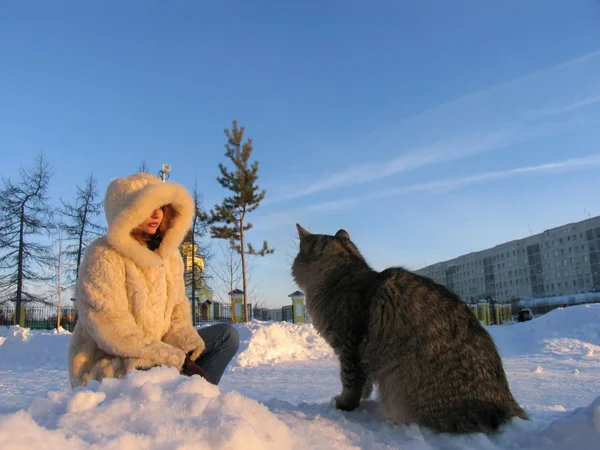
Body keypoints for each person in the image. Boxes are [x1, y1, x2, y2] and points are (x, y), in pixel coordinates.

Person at [68, 172, 239, 388]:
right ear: (127, 212)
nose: (156, 214)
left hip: (159, 355)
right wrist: (174, 359)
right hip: (114, 362)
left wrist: (186, 350)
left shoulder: (169, 256)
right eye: (147, 207)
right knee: (149, 368)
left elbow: (177, 316)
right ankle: (181, 402)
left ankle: (198, 400)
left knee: (226, 337)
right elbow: (114, 330)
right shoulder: (104, 254)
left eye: (160, 207)